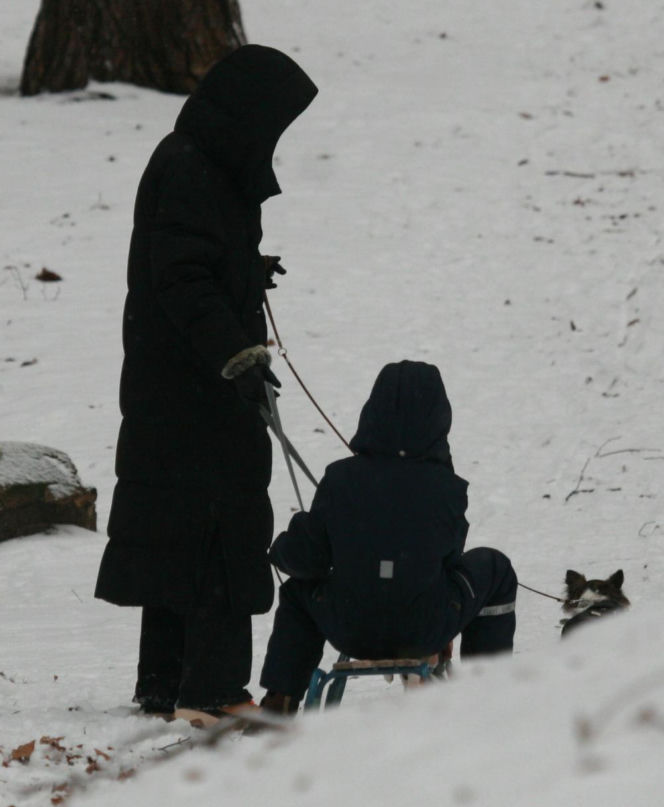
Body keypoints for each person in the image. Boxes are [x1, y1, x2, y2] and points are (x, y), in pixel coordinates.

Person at [94, 45, 318, 725]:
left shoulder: (198, 160)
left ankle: (165, 680)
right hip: (196, 384)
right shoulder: (193, 169)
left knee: (178, 524)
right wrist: (240, 355)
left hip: (174, 384)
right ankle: (214, 689)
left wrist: (248, 273)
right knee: (221, 523)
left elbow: (196, 259)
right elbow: (182, 277)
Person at [259, 360, 517, 714]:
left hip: (351, 627)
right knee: (496, 567)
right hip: (424, 625)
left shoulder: (339, 478)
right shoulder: (447, 488)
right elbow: (449, 561)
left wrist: (281, 549)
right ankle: (486, 692)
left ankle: (280, 698)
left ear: (372, 410)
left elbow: (309, 559)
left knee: (297, 593)